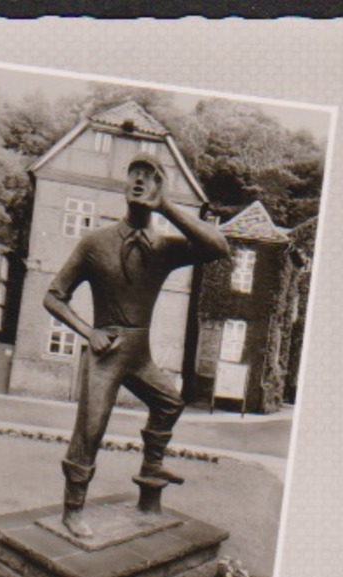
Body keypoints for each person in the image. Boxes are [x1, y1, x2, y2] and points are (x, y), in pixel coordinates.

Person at [43, 154, 229, 538]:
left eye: (151, 177)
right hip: (106, 350)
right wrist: (88, 331)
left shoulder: (163, 248)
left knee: (169, 403)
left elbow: (217, 247)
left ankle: (150, 473)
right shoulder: (95, 243)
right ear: (124, 186)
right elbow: (53, 296)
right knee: (91, 428)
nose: (140, 182)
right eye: (135, 176)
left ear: (160, 188)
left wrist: (167, 207)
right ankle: (72, 510)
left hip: (139, 352)